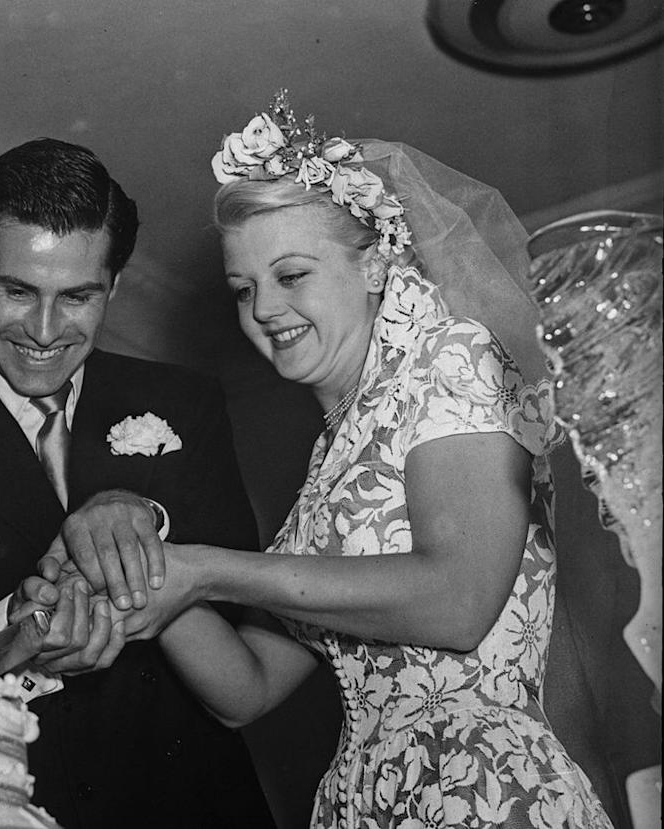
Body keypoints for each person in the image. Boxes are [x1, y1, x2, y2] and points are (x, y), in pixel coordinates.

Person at [44, 93, 615, 827]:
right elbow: (247, 687)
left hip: (482, 789)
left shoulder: (451, 361)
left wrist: (207, 567)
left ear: (375, 264)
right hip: (361, 802)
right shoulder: (327, 466)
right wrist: (143, 577)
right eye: (243, 288)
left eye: (292, 275)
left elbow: (459, 600)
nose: (263, 310)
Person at [0, 137, 275, 828]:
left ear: (116, 287)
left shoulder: (184, 403)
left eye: (76, 297)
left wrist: (147, 517)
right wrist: (14, 630)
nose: (43, 330)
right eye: (17, 290)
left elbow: (249, 622)